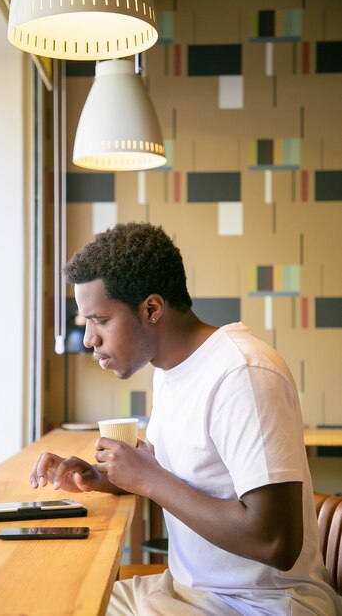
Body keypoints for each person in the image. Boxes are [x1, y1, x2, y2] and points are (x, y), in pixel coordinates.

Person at [30, 222, 341, 615]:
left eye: (100, 320)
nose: (90, 338)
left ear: (152, 309)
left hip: (259, 606)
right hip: (186, 593)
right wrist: (99, 476)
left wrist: (149, 479)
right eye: (86, 321)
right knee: (56, 600)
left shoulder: (242, 373)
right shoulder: (171, 371)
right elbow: (185, 477)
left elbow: (275, 542)